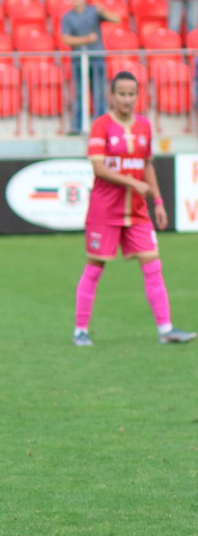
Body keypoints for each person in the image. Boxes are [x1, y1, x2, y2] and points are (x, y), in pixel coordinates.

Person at [73, 71, 195, 346]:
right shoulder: (101, 126)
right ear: (112, 96)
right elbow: (98, 168)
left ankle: (166, 329)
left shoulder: (144, 126)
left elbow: (147, 164)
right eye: (122, 94)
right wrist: (132, 182)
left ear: (137, 96)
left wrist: (158, 201)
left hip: (137, 211)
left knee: (153, 264)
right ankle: (80, 329)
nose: (127, 99)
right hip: (105, 211)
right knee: (95, 267)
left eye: (131, 94)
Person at [60, 0, 120, 134]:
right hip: (78, 60)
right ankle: (77, 127)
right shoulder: (67, 17)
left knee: (99, 94)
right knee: (79, 95)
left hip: (97, 59)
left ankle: (101, 128)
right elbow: (66, 39)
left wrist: (103, 12)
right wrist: (87, 39)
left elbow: (116, 19)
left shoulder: (94, 11)